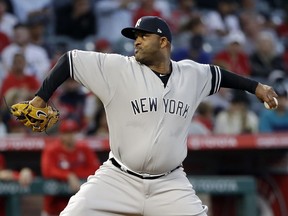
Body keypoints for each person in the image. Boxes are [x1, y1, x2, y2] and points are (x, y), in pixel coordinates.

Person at [24, 16, 277, 215]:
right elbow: (70, 60)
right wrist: (40, 98)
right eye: (135, 36)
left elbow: (223, 76)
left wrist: (257, 88)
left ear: (163, 42)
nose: (136, 41)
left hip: (170, 184)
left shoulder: (192, 74)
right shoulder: (118, 69)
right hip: (118, 178)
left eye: (143, 36)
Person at [41, 118, 100, 216]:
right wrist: (68, 175)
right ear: (61, 135)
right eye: (67, 133)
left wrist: (74, 175)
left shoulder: (84, 148)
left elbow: (95, 169)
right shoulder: (52, 150)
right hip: (54, 207)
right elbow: (47, 171)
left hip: (80, 207)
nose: (70, 136)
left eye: (73, 132)